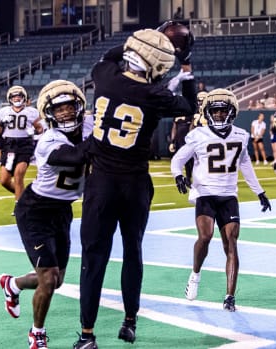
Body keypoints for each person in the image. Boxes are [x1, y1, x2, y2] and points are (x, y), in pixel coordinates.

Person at [73, 27, 196, 349]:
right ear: (158, 64)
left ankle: (87, 334)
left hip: (101, 182)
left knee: (94, 257)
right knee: (133, 252)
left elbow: (111, 56)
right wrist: (186, 64)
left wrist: (146, 39)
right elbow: (189, 106)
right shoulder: (155, 96)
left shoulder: (104, 75)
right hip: (135, 184)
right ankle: (129, 321)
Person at [0, 80, 91, 349]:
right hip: (35, 210)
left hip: (62, 210)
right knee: (48, 277)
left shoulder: (89, 126)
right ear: (49, 113)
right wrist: (101, 139)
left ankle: (13, 284)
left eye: (69, 107)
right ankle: (36, 333)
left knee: (56, 280)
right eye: (58, 109)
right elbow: (75, 158)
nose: (65, 113)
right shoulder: (49, 140)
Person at [169, 88, 271, 312]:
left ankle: (229, 297)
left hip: (228, 197)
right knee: (204, 237)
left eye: (222, 111)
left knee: (231, 244)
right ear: (207, 113)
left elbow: (246, 165)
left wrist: (259, 191)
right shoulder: (198, 135)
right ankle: (195, 275)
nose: (218, 115)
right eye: (214, 112)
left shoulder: (241, 136)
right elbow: (178, 159)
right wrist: (178, 175)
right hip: (205, 193)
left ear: (231, 112)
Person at [0, 85, 43, 214]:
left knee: (18, 175)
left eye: (19, 96)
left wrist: (34, 133)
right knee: (4, 180)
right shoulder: (4, 111)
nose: (17, 98)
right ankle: (25, 197)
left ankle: (19, 205)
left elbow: (41, 129)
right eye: (14, 96)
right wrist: (1, 122)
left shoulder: (31, 112)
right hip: (9, 146)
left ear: (24, 98)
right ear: (9, 99)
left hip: (24, 145)